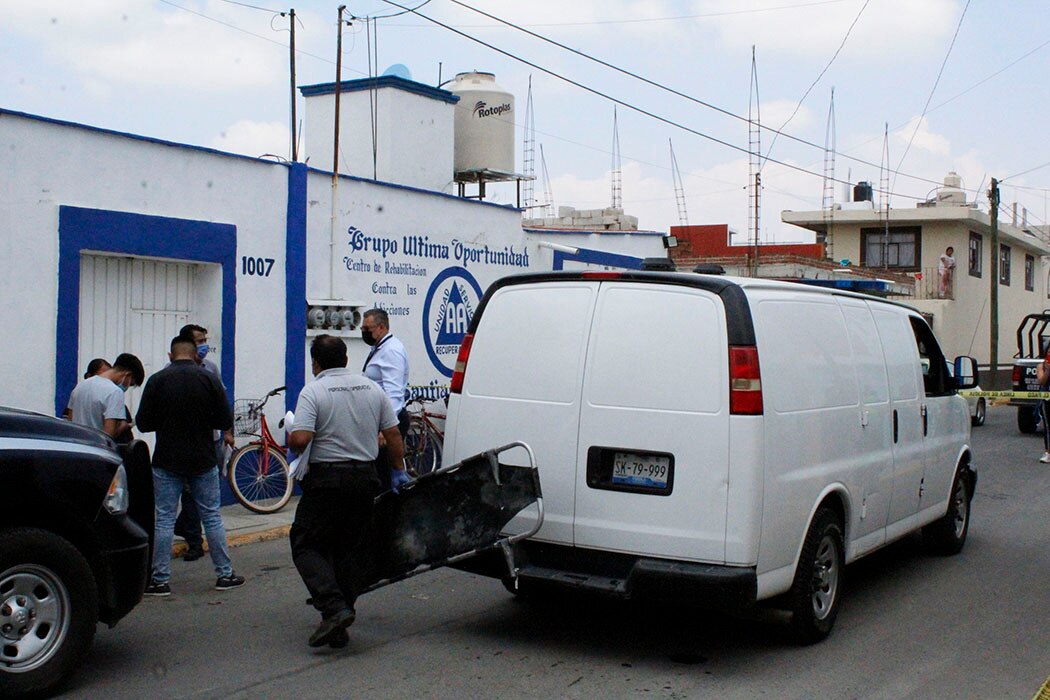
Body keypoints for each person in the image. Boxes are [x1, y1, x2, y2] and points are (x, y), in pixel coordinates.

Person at [288, 334, 409, 648]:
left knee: (306, 543)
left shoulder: (313, 391)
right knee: (349, 549)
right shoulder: (372, 388)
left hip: (327, 480)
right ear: (345, 359)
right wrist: (398, 470)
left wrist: (291, 438)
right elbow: (393, 433)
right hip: (364, 479)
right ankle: (340, 621)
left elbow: (300, 439)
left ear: (315, 363)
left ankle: (333, 607)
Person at [136, 335, 245, 596]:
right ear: (196, 354)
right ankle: (225, 574)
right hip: (203, 458)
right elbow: (223, 418)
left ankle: (159, 580)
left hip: (167, 458)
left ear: (170, 355)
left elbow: (143, 423)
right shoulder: (208, 379)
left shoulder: (157, 380)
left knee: (163, 518)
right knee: (212, 517)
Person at [173, 324, 235, 562]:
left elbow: (221, 402)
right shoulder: (172, 371)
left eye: (204, 340)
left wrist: (227, 431)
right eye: (199, 341)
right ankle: (195, 541)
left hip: (212, 440)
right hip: (185, 443)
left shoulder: (211, 369)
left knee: (202, 494)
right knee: (191, 494)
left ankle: (187, 528)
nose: (204, 345)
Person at [361, 309, 411, 488]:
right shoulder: (379, 348)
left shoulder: (391, 351)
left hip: (389, 423)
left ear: (381, 327)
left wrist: (386, 428)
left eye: (367, 328)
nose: (364, 332)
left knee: (384, 475)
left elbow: (394, 393)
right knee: (378, 472)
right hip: (378, 420)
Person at [66, 353, 144, 439]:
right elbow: (107, 436)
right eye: (130, 384)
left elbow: (70, 422)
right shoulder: (114, 392)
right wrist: (123, 426)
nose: (127, 387)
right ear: (128, 375)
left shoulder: (80, 386)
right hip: (96, 448)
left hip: (78, 445)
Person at [1038, 351, 1050, 464]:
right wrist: (1048, 370)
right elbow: (1042, 381)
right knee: (1048, 427)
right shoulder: (1042, 366)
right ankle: (1048, 452)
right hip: (1047, 399)